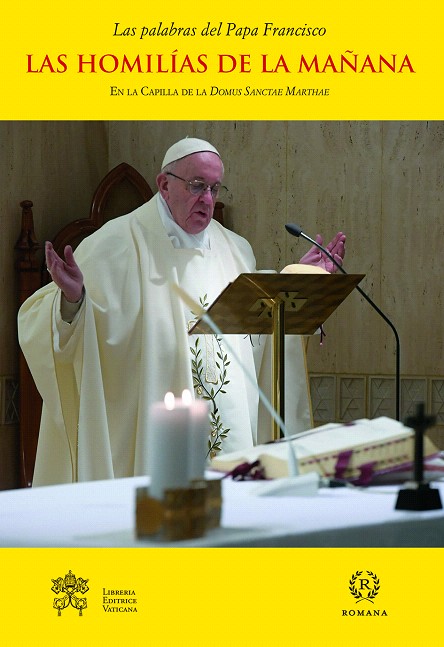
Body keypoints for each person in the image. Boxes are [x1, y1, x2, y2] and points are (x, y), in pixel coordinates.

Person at [18, 138, 345, 486]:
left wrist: (297, 282)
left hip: (228, 437)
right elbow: (65, 331)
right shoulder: (112, 245)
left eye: (214, 188)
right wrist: (72, 300)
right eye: (197, 185)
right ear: (164, 184)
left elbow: (256, 337)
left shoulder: (236, 250)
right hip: (146, 439)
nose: (207, 199)